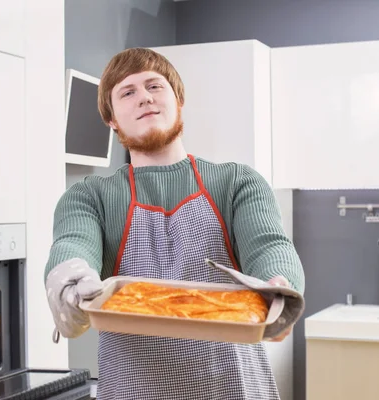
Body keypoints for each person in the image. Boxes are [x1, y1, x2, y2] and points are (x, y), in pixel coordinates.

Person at [44, 47, 305, 400]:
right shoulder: (89, 197)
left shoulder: (237, 182)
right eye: (127, 92)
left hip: (235, 388)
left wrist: (278, 288)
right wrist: (72, 284)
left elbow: (268, 245)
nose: (145, 98)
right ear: (111, 119)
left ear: (178, 100)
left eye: (155, 85)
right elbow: (73, 244)